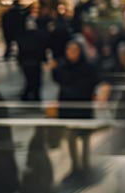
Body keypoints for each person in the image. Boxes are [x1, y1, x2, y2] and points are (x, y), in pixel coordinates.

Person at [50, 41, 101, 176]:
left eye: (74, 50)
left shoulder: (87, 67)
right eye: (69, 50)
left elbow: (93, 82)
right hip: (68, 106)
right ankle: (75, 165)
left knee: (84, 136)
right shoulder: (63, 66)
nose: (71, 54)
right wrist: (53, 69)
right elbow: (58, 79)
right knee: (71, 136)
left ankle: (85, 163)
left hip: (83, 106)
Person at [17, 17, 48, 101]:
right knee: (36, 81)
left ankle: (27, 96)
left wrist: (19, 61)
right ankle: (35, 97)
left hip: (26, 63)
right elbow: (42, 49)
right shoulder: (39, 35)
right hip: (35, 62)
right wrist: (44, 60)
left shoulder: (22, 36)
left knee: (30, 80)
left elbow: (20, 51)